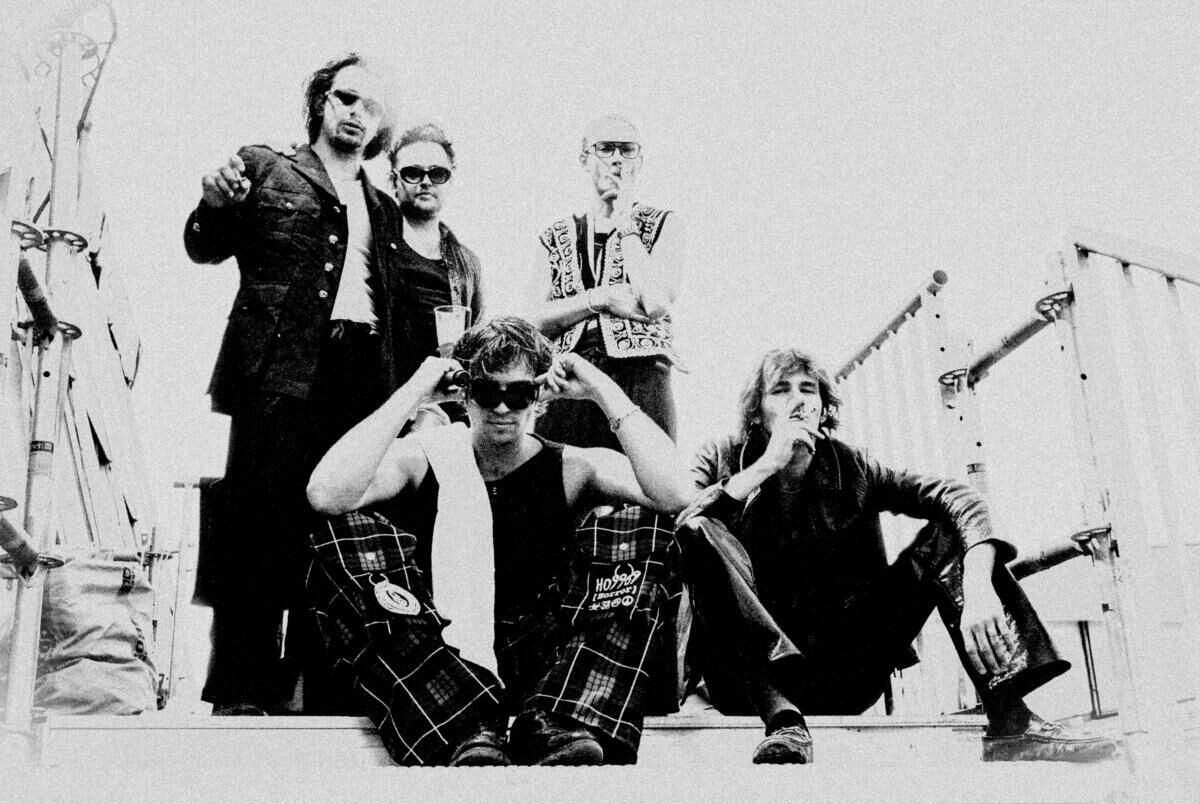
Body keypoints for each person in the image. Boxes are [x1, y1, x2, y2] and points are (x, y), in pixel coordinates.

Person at [678, 347, 1119, 765]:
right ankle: (784, 719)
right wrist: (765, 467)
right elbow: (681, 526)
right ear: (756, 412)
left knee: (949, 532)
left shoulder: (853, 467)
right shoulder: (720, 457)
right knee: (700, 530)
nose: (797, 401)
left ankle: (1012, 720)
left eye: (808, 389)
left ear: (823, 408)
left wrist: (979, 587)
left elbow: (959, 498)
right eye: (781, 390)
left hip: (841, 671)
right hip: (747, 684)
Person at [304, 316, 693, 766]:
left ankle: (562, 720)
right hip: (437, 666)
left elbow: (678, 496)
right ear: (464, 394)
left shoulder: (575, 467)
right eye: (488, 392)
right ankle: (466, 725)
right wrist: (414, 392)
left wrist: (601, 389)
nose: (503, 408)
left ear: (540, 397)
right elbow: (326, 494)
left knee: (645, 525)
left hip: (549, 669)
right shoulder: (424, 458)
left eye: (519, 393)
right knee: (343, 530)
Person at [182, 53, 408, 715]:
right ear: (321, 101)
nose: (356, 112)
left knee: (340, 530)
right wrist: (211, 203)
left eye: (371, 105)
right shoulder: (265, 166)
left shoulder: (384, 208)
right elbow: (203, 245)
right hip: (276, 372)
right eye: (345, 97)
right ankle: (242, 690)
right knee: (254, 524)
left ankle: (327, 693)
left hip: (361, 377)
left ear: (382, 124)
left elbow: (395, 306)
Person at [529, 114, 685, 452]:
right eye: (606, 148)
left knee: (646, 478)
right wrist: (600, 299)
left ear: (639, 161)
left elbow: (656, 302)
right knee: (559, 476)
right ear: (585, 159)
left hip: (640, 374)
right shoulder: (553, 235)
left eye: (627, 150)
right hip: (569, 376)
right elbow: (535, 321)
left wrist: (625, 223)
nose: (617, 159)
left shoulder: (664, 224)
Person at [387, 123, 483, 428]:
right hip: (380, 402)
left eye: (437, 173)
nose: (426, 182)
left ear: (450, 180)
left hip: (443, 413)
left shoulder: (467, 264)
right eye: (413, 173)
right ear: (394, 181)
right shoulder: (374, 243)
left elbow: (477, 347)